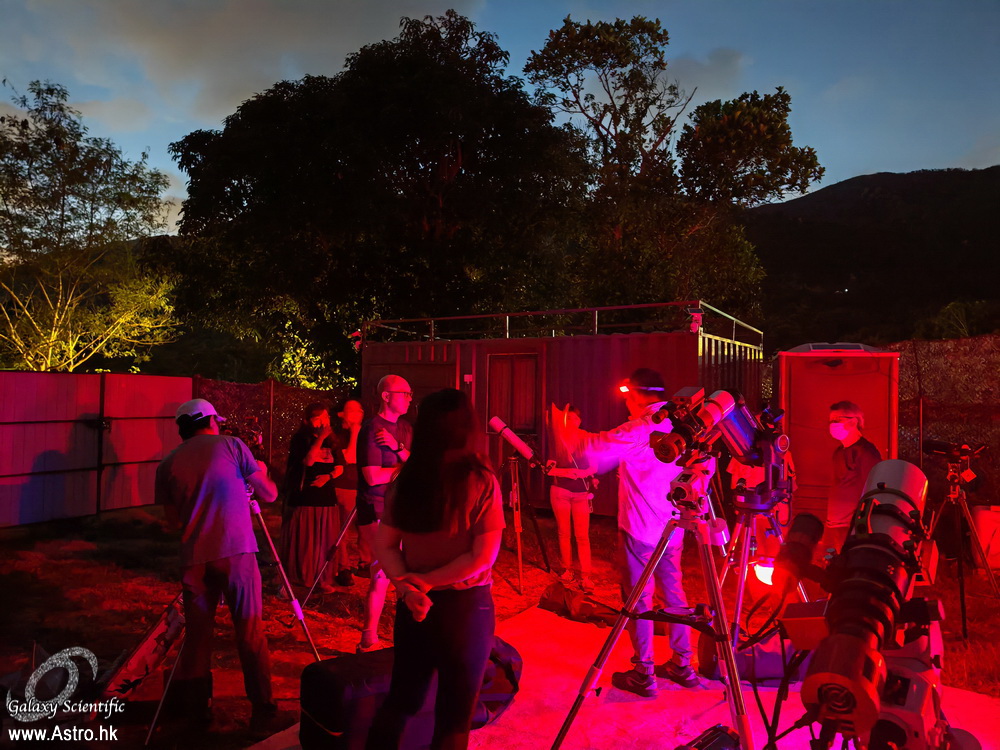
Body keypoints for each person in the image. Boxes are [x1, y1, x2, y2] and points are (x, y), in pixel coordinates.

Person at [366, 388, 504, 750]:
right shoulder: (481, 480)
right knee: (454, 720)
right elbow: (482, 557)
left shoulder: (405, 480)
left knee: (402, 701)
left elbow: (384, 545)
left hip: (413, 608)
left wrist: (407, 588)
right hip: (465, 610)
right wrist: (426, 583)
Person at [154, 398, 279, 728]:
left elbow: (172, 522)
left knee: (198, 636)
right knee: (249, 631)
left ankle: (196, 712)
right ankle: (263, 710)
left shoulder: (167, 464)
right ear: (210, 421)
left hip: (194, 557)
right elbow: (268, 494)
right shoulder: (232, 445)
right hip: (236, 551)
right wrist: (262, 472)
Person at [580, 368, 697, 696]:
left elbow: (592, 449)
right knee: (674, 594)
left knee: (638, 600)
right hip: (673, 528)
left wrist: (565, 430)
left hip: (639, 529)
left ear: (633, 394)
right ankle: (683, 664)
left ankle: (644, 671)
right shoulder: (683, 427)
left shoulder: (638, 428)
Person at [355, 374, 413, 652]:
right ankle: (369, 637)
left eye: (410, 394)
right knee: (385, 569)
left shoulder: (404, 428)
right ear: (386, 396)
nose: (409, 399)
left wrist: (397, 448)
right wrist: (402, 468)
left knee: (384, 571)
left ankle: (372, 635)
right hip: (376, 507)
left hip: (399, 506)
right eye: (404, 393)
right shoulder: (372, 429)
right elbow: (372, 476)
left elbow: (414, 463)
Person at [282, 402, 345, 592]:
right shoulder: (301, 439)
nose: (323, 422)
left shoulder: (333, 441)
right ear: (307, 421)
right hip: (305, 499)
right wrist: (320, 439)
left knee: (324, 541)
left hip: (326, 498)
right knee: (307, 542)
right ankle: (304, 577)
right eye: (318, 418)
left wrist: (328, 477)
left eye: (325, 417)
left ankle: (323, 578)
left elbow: (340, 467)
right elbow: (308, 461)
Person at [546, 403, 597, 591]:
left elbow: (594, 467)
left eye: (575, 418)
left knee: (582, 536)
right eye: (569, 418)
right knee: (564, 533)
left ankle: (586, 576)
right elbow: (549, 469)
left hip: (581, 494)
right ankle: (567, 570)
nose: (572, 421)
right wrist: (566, 472)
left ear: (580, 421)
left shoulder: (585, 439)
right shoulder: (559, 441)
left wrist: (583, 473)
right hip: (560, 492)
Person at [825, 400, 882, 554]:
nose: (833, 424)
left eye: (838, 419)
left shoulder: (865, 452)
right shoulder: (838, 452)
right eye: (831, 420)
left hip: (852, 524)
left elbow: (872, 487)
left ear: (854, 421)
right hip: (835, 523)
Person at [330, 398, 365, 586]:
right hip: (343, 486)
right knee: (342, 529)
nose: (358, 414)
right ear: (343, 414)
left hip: (362, 487)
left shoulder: (365, 433)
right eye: (353, 410)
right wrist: (355, 432)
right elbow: (350, 458)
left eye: (359, 410)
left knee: (365, 528)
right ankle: (343, 568)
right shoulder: (338, 436)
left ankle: (364, 564)